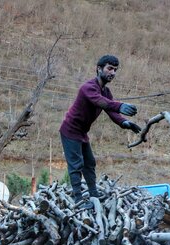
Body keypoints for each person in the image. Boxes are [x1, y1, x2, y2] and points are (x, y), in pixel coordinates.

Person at [59, 55, 141, 208]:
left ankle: (94, 195)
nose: (113, 73)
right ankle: (78, 201)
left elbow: (111, 111)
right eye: (110, 68)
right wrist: (119, 105)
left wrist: (125, 122)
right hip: (70, 130)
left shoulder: (106, 91)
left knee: (89, 163)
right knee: (76, 165)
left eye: (115, 70)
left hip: (82, 132)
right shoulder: (88, 88)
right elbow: (101, 102)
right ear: (99, 68)